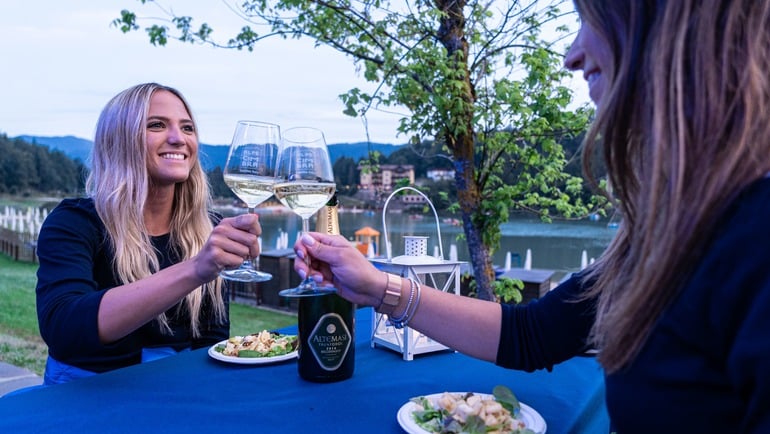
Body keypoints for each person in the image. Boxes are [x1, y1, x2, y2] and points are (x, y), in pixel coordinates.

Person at [292, 1, 770, 432]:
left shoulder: (754, 236)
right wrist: (377, 287)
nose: (572, 56)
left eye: (590, 20)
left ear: (666, 24)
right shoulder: (677, 230)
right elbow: (534, 334)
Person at [35, 83, 262, 384]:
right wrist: (195, 269)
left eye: (187, 128)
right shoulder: (74, 222)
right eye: (156, 125)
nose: (177, 138)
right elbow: (64, 328)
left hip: (178, 390)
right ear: (119, 140)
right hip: (86, 396)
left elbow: (212, 340)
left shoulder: (208, 227)